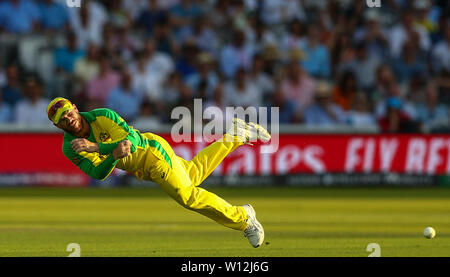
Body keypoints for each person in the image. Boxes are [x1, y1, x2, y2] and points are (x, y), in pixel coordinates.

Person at [46, 97, 270, 248]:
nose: (69, 120)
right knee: (193, 173)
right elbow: (97, 173)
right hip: (143, 166)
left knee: (188, 196)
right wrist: (113, 155)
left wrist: (99, 148)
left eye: (69, 113)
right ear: (58, 126)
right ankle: (237, 135)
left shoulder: (101, 115)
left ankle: (244, 219)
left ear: (75, 108)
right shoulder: (69, 147)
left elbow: (131, 141)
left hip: (152, 152)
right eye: (62, 120)